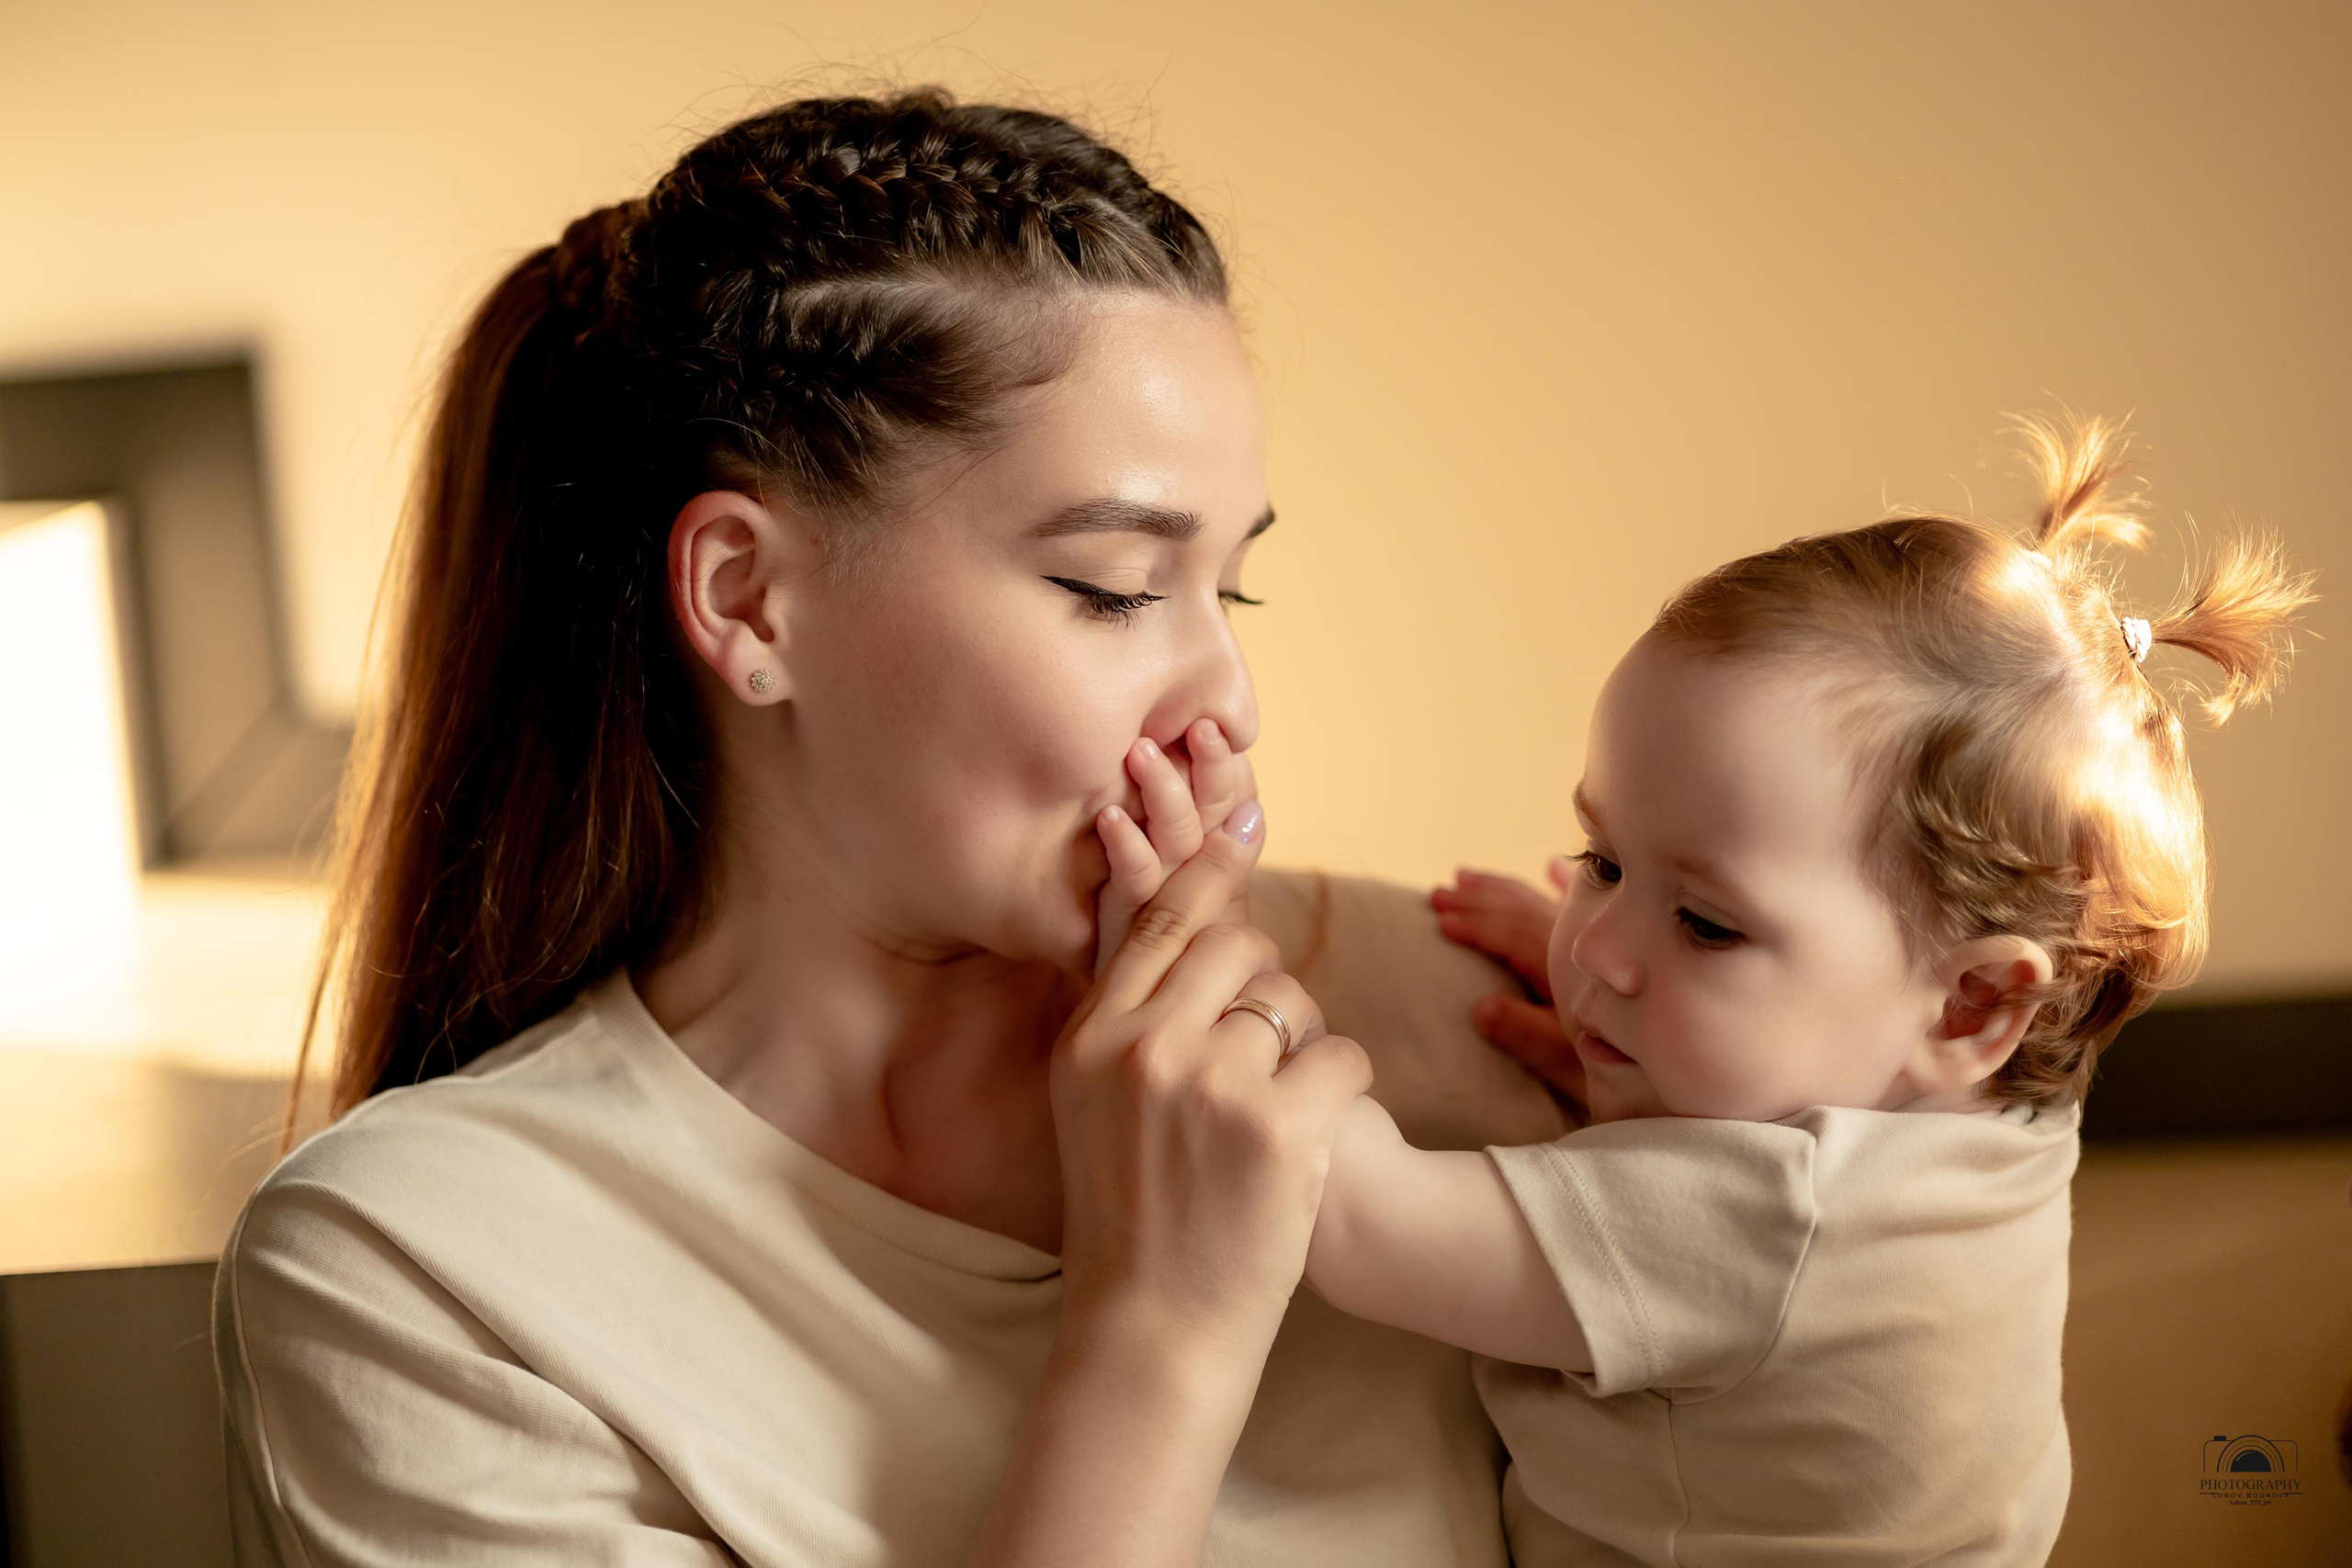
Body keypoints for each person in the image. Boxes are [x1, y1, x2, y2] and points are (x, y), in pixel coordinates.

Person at [211, 90, 1572, 1566]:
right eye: (1114, 585)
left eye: (1228, 589)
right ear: (747, 598)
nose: (1226, 702)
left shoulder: (1463, 1012)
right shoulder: (420, 1271)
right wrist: (1159, 1332)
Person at [1286, 417, 2310, 1563]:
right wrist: (1665, 988)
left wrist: (1221, 986)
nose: (1596, 951)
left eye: (1706, 924)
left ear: (1971, 1008)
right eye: (1603, 863)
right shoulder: (2004, 1111)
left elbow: (1355, 1224)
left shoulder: (1768, 1221)